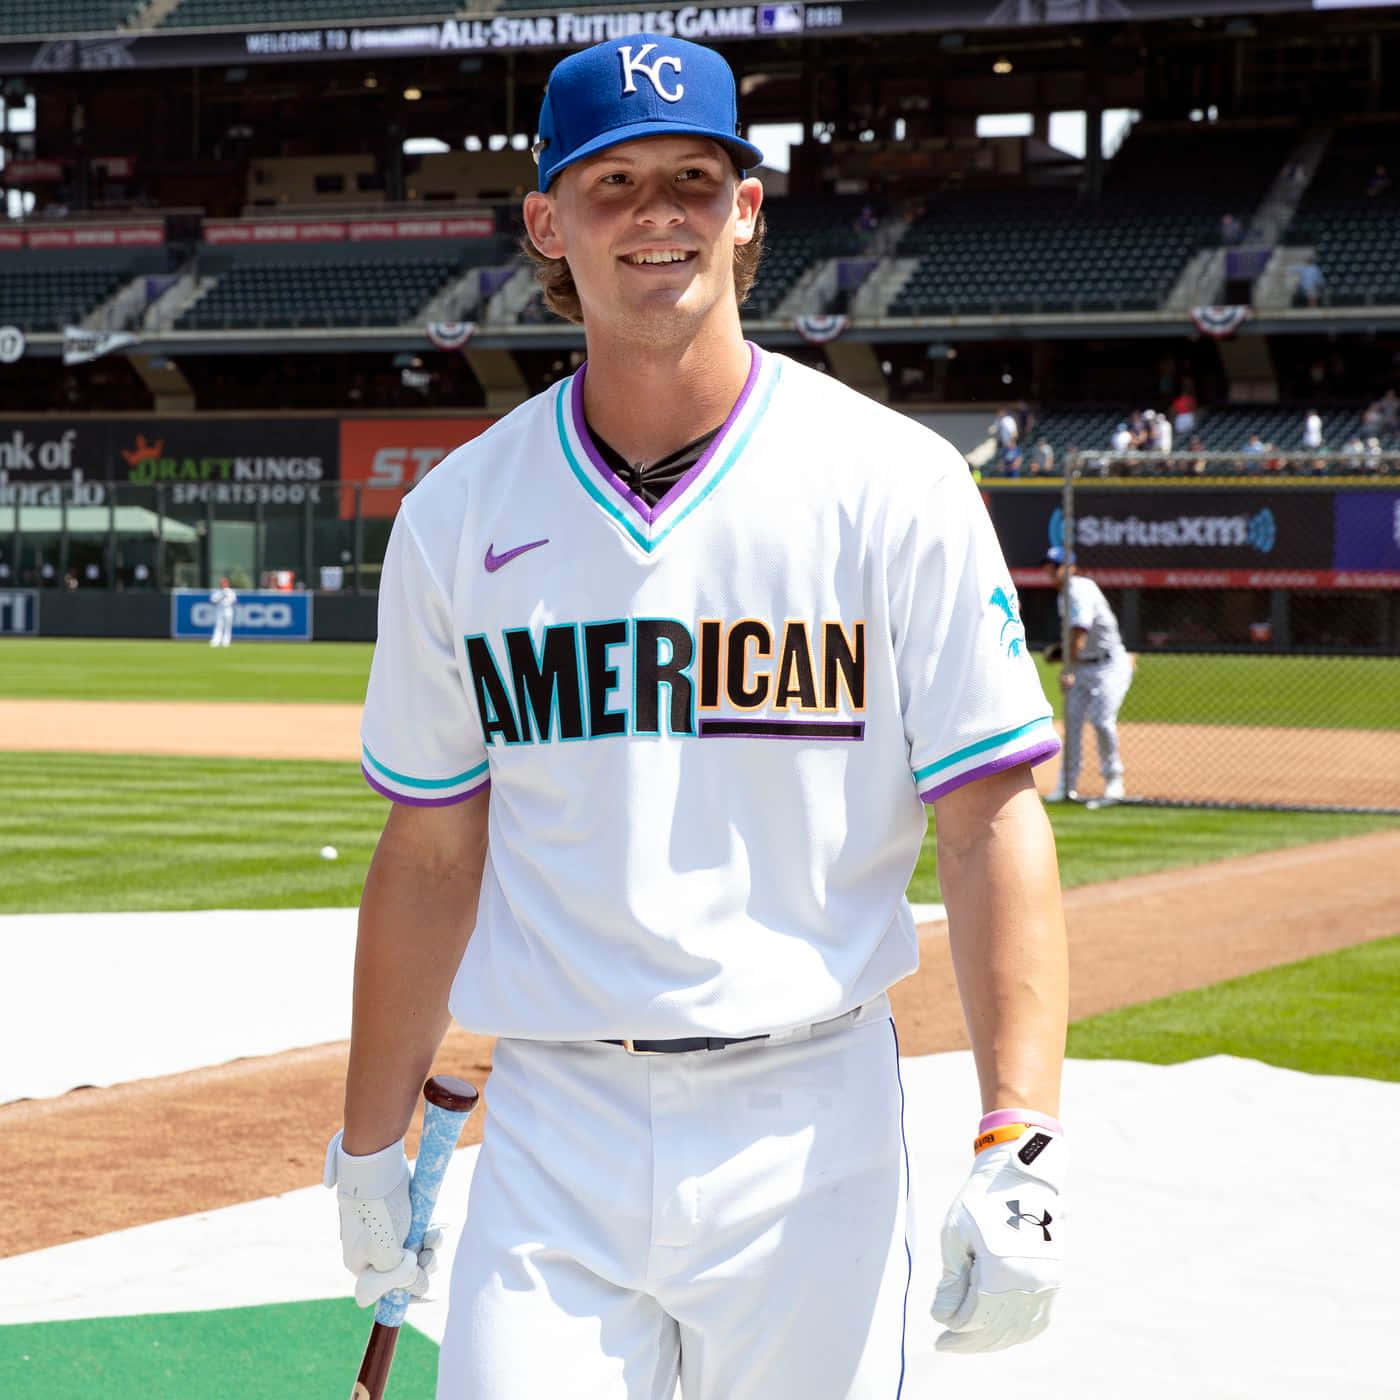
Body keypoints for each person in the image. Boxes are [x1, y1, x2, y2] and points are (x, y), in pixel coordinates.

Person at [325, 32, 1069, 1400]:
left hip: (810, 1122)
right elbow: (430, 850)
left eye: (694, 176)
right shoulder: (459, 514)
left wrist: (1015, 1133)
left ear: (747, 211)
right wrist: (373, 1144)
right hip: (555, 1122)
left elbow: (987, 821)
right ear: (547, 222)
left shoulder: (890, 483)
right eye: (611, 183)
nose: (657, 211)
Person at [1042, 546, 1132, 804]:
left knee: (1102, 722)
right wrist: (1063, 653)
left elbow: (1080, 632)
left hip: (1108, 666)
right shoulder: (1063, 596)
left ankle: (1114, 781)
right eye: (1049, 564)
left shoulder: (1079, 590)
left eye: (1056, 565)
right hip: (1084, 665)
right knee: (1071, 726)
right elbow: (1074, 639)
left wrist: (1067, 668)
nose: (1051, 569)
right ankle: (1066, 786)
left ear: (1071, 568)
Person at [208, 576, 236, 647]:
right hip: (219, 610)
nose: (223, 584)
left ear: (227, 583)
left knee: (227, 627)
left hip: (228, 610)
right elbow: (213, 601)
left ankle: (226, 642)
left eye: (224, 583)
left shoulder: (231, 591)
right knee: (218, 626)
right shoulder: (217, 592)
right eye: (221, 583)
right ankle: (216, 641)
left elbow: (234, 601)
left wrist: (228, 598)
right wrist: (221, 596)